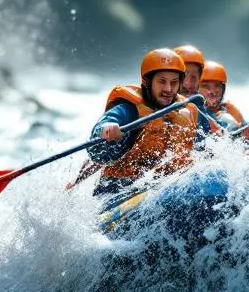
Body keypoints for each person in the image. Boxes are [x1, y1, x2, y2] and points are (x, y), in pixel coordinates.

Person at [86, 48, 202, 196]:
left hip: (166, 186)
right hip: (118, 189)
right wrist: (106, 130)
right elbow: (99, 144)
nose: (168, 89)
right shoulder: (129, 110)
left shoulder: (187, 111)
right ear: (146, 82)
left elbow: (206, 146)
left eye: (174, 82)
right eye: (162, 81)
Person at [198, 60, 249, 139]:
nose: (212, 91)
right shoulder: (195, 111)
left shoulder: (228, 110)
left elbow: (245, 131)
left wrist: (248, 128)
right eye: (206, 86)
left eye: (217, 86)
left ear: (223, 89)